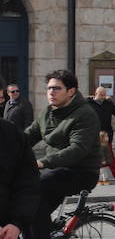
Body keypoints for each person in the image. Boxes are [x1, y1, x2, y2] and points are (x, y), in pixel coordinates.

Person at [23, 69, 101, 226]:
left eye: (57, 88)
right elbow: (27, 137)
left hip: (81, 172)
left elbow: (77, 149)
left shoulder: (84, 114)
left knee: (34, 188)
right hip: (56, 170)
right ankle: (44, 237)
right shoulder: (47, 112)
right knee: (25, 201)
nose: (51, 92)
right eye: (49, 88)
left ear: (71, 91)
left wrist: (43, 162)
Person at [87, 86, 115, 183]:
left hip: (106, 134)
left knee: (109, 155)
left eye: (104, 95)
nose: (103, 97)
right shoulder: (88, 103)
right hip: (93, 134)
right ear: (95, 94)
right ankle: (91, 176)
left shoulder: (108, 103)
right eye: (101, 95)